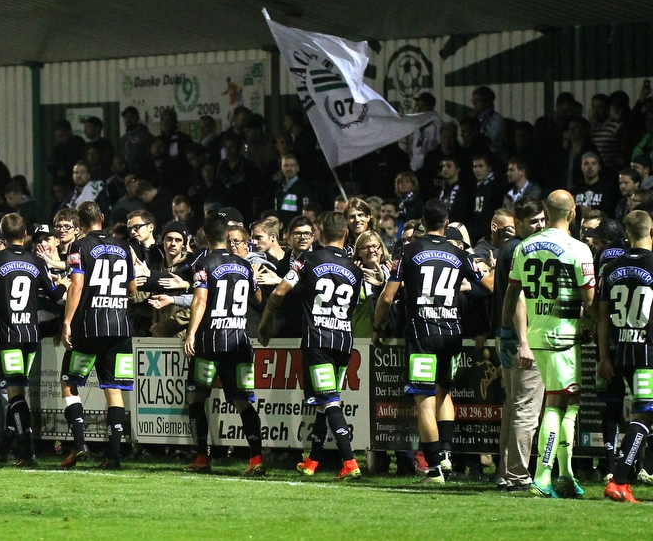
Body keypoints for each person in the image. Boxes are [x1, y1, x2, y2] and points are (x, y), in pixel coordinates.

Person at [373, 199, 493, 484]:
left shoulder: (409, 251)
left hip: (422, 333)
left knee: (425, 399)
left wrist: (378, 326)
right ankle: (448, 453)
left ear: (423, 222)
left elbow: (388, 296)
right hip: (452, 333)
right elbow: (489, 286)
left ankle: (435, 468)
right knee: (445, 392)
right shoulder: (459, 253)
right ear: (447, 222)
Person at [503, 190, 595, 498]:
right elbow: (590, 300)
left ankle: (565, 474)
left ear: (547, 210)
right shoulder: (578, 248)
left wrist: (508, 331)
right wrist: (595, 322)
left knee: (569, 405)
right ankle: (543, 476)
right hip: (563, 338)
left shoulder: (525, 247)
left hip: (537, 334)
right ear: (572, 214)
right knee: (557, 406)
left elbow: (512, 291)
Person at [258, 211, 362, 480]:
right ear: (346, 234)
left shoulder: (308, 260)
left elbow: (280, 292)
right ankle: (313, 460)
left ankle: (349, 461)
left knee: (329, 400)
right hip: (343, 341)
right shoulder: (354, 269)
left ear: (321, 235)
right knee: (322, 402)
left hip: (318, 341)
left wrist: (265, 322)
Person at [0, 213, 66, 466]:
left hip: (8, 336)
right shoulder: (36, 262)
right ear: (25, 234)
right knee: (18, 391)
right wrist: (63, 285)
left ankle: (26, 452)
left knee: (15, 395)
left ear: (3, 236)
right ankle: (4, 446)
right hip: (31, 336)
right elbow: (53, 294)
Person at [183, 212, 265, 476]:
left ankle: (201, 457)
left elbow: (200, 300)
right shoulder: (244, 265)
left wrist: (191, 333)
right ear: (228, 237)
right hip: (239, 341)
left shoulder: (204, 264)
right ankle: (256, 459)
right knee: (243, 402)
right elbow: (258, 298)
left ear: (205, 236)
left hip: (210, 342)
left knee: (196, 398)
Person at [59, 201, 136, 469]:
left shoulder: (79, 246)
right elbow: (133, 288)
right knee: (114, 390)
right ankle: (113, 456)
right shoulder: (125, 247)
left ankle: (80, 445)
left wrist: (67, 321)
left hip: (89, 328)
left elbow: (77, 284)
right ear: (102, 218)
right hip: (119, 328)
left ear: (79, 223)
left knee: (69, 383)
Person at [600, 210, 653, 503]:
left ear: (627, 233)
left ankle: (623, 475)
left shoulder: (612, 267)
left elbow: (603, 316)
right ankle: (619, 481)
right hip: (647, 351)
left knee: (638, 414)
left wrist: (604, 356)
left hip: (620, 349)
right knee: (644, 414)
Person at [494, 198, 546, 491]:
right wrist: (522, 339)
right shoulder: (522, 249)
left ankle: (505, 471)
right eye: (533, 221)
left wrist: (503, 332)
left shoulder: (509, 249)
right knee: (525, 410)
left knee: (513, 408)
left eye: (542, 220)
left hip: (510, 338)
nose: (539, 226)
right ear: (519, 223)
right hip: (522, 341)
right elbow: (519, 297)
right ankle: (516, 475)